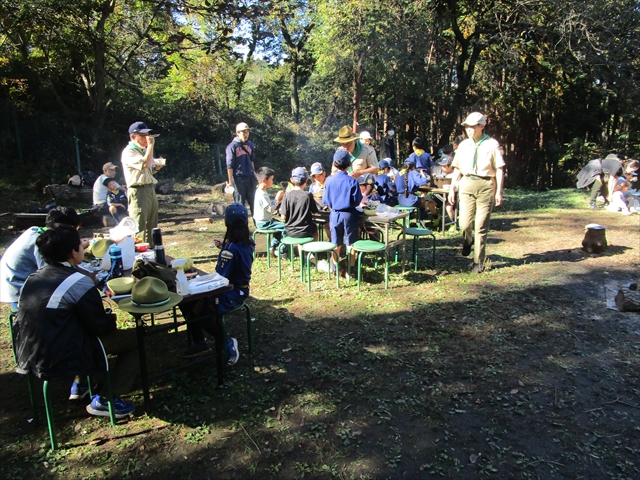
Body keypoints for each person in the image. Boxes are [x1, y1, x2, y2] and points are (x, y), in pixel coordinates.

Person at [13, 224, 138, 417]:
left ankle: (80, 385)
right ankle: (107, 399)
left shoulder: (33, 278)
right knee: (135, 339)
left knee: (75, 328)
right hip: (60, 355)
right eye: (80, 244)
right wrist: (110, 319)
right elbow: (99, 326)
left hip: (27, 351)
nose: (83, 247)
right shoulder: (77, 281)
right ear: (73, 252)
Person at [178, 203, 254, 363]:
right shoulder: (248, 241)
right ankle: (199, 343)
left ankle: (226, 343)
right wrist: (225, 248)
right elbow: (237, 256)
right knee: (190, 304)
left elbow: (220, 280)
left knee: (198, 308)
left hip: (232, 292)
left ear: (226, 223)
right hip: (241, 288)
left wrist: (194, 279)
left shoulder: (230, 250)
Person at [448, 112, 505, 273]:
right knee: (464, 223)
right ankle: (468, 239)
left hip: (486, 184)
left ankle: (478, 262)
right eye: (467, 126)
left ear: (482, 126)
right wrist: (452, 188)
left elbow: (499, 169)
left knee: (481, 226)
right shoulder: (464, 145)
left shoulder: (492, 144)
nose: (469, 129)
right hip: (466, 183)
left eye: (473, 126)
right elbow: (457, 168)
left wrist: (498, 192)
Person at [1, 207, 88, 309]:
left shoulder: (36, 231)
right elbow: (52, 274)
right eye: (74, 229)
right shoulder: (41, 244)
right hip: (18, 288)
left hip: (18, 281)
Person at [121, 121, 164, 246]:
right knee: (139, 225)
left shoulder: (142, 151)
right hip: (138, 190)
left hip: (150, 189)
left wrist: (156, 168)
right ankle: (140, 254)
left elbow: (147, 170)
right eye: (143, 136)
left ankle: (151, 251)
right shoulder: (129, 151)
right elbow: (144, 164)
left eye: (148, 135)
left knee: (152, 223)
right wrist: (151, 146)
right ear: (133, 137)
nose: (147, 138)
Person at [323, 149, 363, 273]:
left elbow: (326, 200)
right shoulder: (352, 181)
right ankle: (351, 270)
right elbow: (357, 201)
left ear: (334, 164)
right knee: (351, 243)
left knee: (336, 243)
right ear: (350, 165)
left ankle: (335, 267)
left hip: (334, 214)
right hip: (349, 215)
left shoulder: (329, 180)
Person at [226, 122, 257, 216]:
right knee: (240, 204)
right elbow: (229, 165)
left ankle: (259, 225)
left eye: (247, 132)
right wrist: (230, 182)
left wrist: (254, 173)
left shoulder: (250, 145)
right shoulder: (232, 146)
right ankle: (241, 227)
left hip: (250, 178)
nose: (246, 134)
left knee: (254, 203)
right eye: (243, 132)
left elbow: (251, 160)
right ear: (237, 133)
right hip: (239, 179)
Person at [253, 167, 286, 257]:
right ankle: (282, 250)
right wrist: (277, 199)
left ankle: (272, 247)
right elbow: (270, 209)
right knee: (286, 228)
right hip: (264, 223)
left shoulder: (261, 191)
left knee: (280, 228)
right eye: (271, 179)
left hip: (265, 221)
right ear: (264, 180)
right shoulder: (261, 194)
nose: (272, 181)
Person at [281, 167, 318, 240]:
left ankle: (301, 250)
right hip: (306, 230)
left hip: (289, 231)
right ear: (306, 180)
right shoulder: (308, 195)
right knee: (314, 227)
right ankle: (313, 249)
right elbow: (314, 212)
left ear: (292, 180)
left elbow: (283, 217)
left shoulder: (287, 195)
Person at [396, 157, 432, 221]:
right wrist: (422, 173)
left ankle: (411, 214)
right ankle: (421, 219)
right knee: (423, 200)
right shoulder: (413, 173)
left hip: (400, 199)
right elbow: (424, 181)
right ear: (413, 166)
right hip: (410, 199)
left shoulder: (398, 174)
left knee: (417, 199)